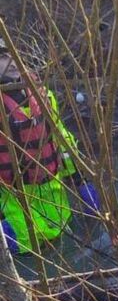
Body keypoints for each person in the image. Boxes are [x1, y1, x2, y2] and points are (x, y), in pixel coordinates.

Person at [0, 47, 100, 254]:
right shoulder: (39, 91)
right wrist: (79, 177)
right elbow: (62, 139)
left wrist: (80, 177)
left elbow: (58, 138)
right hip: (17, 213)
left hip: (46, 210)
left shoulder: (39, 93)